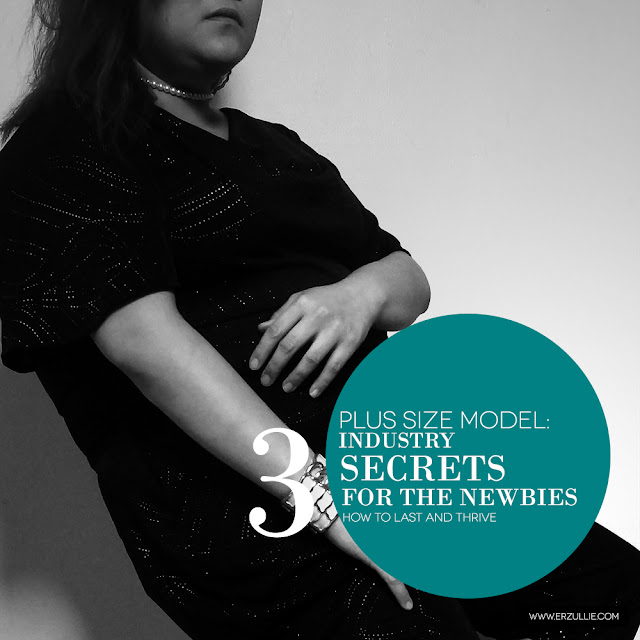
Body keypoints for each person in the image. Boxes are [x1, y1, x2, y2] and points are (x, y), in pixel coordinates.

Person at [0, 2, 638, 639]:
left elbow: (408, 282)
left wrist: (359, 294)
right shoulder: (66, 137)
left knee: (605, 592)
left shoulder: (276, 147)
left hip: (395, 474)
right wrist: (322, 497)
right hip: (254, 514)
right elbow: (143, 343)